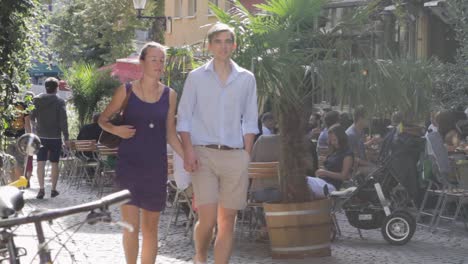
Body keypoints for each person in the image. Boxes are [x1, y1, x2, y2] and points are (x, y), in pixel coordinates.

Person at [177, 23, 259, 264]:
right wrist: (188, 151)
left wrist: (246, 154)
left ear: (234, 45)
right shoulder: (195, 77)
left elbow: (251, 120)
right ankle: (200, 256)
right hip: (204, 154)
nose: (223, 46)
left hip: (235, 156)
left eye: (228, 41)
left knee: (227, 221)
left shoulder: (246, 79)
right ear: (210, 45)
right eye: (218, 41)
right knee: (209, 218)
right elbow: (184, 119)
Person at [98, 42, 183, 264]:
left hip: (156, 168)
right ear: (142, 62)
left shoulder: (170, 95)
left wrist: (188, 157)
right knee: (131, 227)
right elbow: (102, 120)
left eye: (162, 60)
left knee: (151, 228)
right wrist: (116, 129)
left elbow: (171, 134)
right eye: (154, 59)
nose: (158, 64)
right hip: (129, 167)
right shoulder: (126, 91)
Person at [30, 78, 69, 199]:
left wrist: (35, 130)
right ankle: (53, 189)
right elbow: (63, 121)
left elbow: (31, 117)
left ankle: (41, 189)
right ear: (57, 88)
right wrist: (66, 137)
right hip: (55, 137)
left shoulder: (37, 100)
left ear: (45, 87)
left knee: (40, 163)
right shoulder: (60, 102)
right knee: (54, 163)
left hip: (40, 137)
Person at [307, 124, 354, 198]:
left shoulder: (347, 154)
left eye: (334, 140)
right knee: (300, 179)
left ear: (341, 138)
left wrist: (325, 172)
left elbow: (343, 176)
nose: (332, 143)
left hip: (331, 186)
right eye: (331, 140)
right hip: (322, 181)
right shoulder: (334, 151)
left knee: (305, 181)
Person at [4, 92, 34, 185]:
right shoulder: (22, 105)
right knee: (19, 163)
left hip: (6, 138)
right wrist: (30, 139)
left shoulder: (5, 104)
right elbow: (27, 124)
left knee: (9, 163)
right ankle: (17, 187)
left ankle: (12, 185)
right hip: (20, 139)